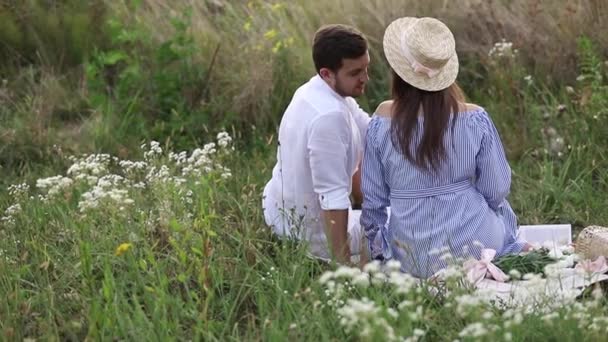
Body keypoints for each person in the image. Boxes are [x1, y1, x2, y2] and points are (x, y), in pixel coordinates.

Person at [360, 17, 530, 278]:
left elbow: (373, 204)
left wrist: (380, 255)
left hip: (411, 255)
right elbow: (496, 189)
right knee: (501, 210)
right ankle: (492, 258)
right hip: (476, 244)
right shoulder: (474, 118)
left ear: (398, 71)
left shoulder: (380, 121)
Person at [262, 24, 373, 264]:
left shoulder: (314, 90)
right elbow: (332, 198)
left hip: (280, 217)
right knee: (410, 224)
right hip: (311, 237)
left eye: (366, 68)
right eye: (355, 73)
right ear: (327, 73)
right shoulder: (328, 118)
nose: (365, 78)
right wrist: (342, 271)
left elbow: (372, 132)